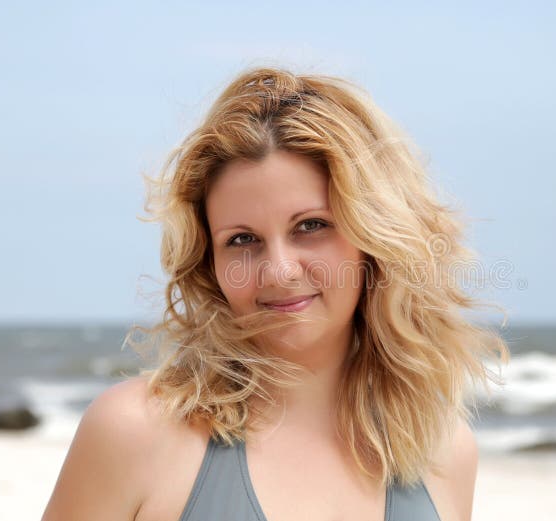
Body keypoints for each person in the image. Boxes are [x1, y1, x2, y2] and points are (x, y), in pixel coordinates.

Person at [42, 67, 509, 521]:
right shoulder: (134, 433)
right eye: (242, 240)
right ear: (209, 263)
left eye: (311, 226)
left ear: (377, 239)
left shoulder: (444, 452)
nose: (279, 271)